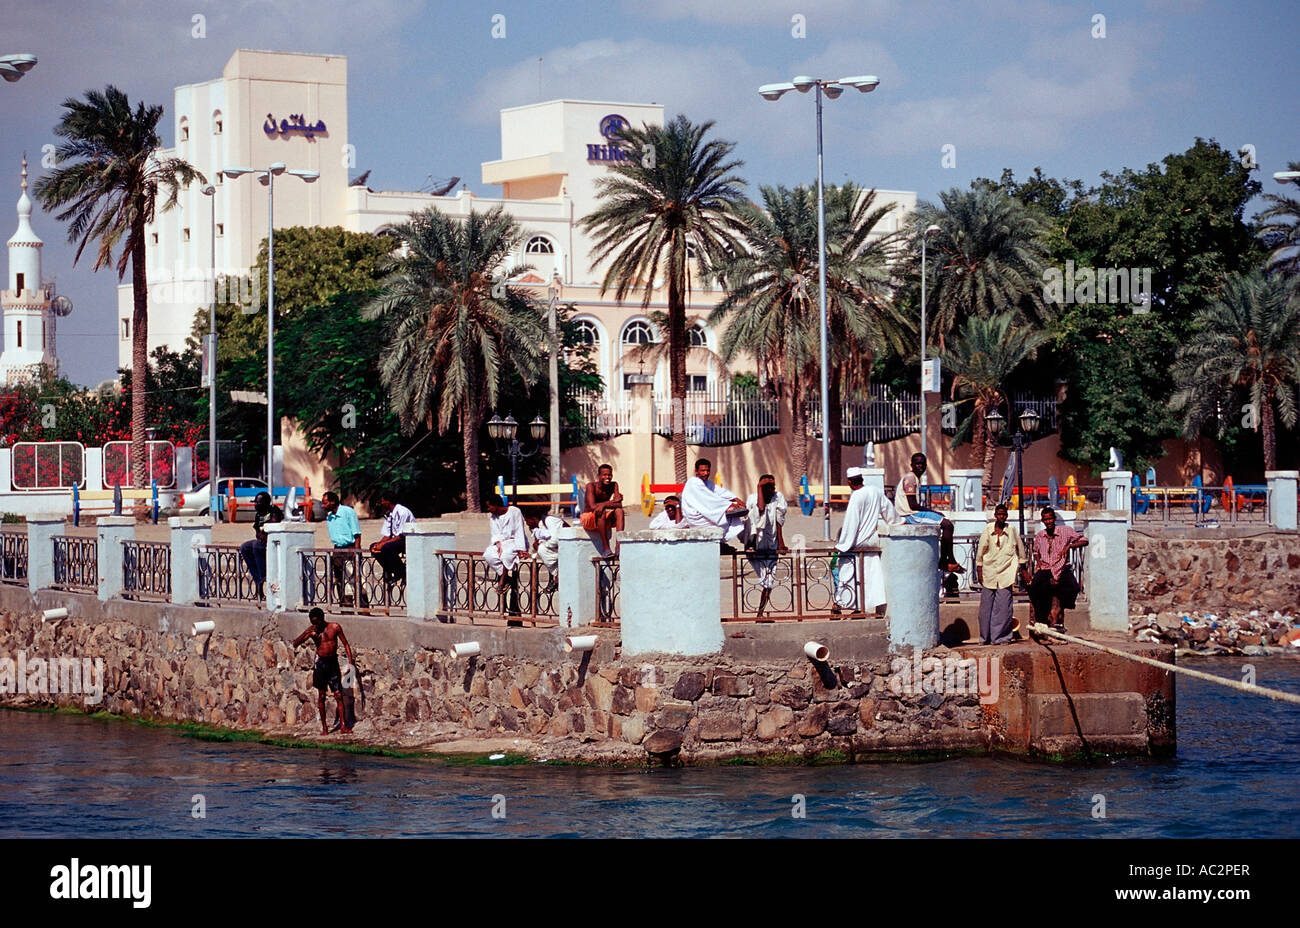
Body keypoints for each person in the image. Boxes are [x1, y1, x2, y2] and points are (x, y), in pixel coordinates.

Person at [896, 452, 964, 596]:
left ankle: (945, 560)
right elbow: (913, 505)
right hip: (910, 515)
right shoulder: (910, 479)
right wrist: (933, 512)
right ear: (912, 465)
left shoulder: (914, 479)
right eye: (917, 463)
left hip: (911, 513)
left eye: (922, 464)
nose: (920, 466)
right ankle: (948, 560)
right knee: (947, 525)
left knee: (945, 524)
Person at [834, 467, 898, 616]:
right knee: (871, 575)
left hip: (856, 543)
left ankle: (846, 604)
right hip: (871, 541)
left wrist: (842, 544)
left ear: (849, 482)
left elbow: (851, 523)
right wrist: (898, 523)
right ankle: (863, 607)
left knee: (848, 573)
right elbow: (889, 511)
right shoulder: (876, 491)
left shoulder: (856, 496)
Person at [291, 607, 356, 735]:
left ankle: (343, 726)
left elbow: (346, 644)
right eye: (312, 622)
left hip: (332, 663)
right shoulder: (312, 631)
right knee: (321, 695)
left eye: (316, 622)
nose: (315, 625)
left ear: (322, 619)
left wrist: (350, 662)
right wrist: (308, 633)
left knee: (338, 695)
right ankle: (325, 728)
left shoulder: (335, 627)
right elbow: (295, 643)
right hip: (320, 664)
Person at [1028, 506, 1088, 632]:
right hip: (1045, 568)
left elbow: (1084, 541)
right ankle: (1040, 620)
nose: (1048, 522)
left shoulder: (1065, 531)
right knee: (1035, 588)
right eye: (1046, 519)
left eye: (1050, 519)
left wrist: (1069, 546)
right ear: (1043, 521)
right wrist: (1038, 562)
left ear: (1054, 519)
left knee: (1074, 587)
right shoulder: (1040, 535)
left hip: (1061, 568)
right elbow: (1035, 552)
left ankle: (1063, 609)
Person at [975, 504, 1025, 645]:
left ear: (1006, 516)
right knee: (985, 608)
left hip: (1006, 574)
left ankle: (1001, 638)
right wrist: (979, 570)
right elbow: (980, 552)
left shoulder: (1012, 530)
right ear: (995, 515)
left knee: (1003, 608)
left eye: (1004, 514)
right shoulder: (988, 529)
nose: (1002, 517)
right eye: (999, 514)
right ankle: (985, 638)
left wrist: (1024, 568)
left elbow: (1021, 550)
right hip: (989, 572)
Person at [681, 457, 747, 552]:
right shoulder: (694, 482)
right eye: (703, 470)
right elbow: (709, 499)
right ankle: (721, 544)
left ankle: (722, 543)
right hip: (695, 517)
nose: (706, 473)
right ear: (696, 471)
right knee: (728, 516)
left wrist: (736, 499)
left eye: (708, 470)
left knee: (733, 517)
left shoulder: (707, 483)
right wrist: (728, 505)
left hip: (704, 513)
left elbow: (719, 491)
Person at [745, 474, 787, 619]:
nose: (771, 489)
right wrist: (759, 489)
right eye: (766, 486)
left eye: (772, 486)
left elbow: (779, 519)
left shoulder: (778, 497)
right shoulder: (752, 498)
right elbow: (760, 510)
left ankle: (760, 613)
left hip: (771, 543)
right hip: (755, 543)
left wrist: (781, 543)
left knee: (768, 581)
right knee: (753, 514)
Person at [484, 495, 530, 622]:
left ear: (496, 505)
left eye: (490, 506)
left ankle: (503, 580)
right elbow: (495, 534)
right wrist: (498, 545)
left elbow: (520, 530)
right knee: (488, 555)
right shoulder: (493, 518)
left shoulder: (514, 511)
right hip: (502, 543)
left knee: (506, 555)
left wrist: (521, 549)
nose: (489, 509)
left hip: (514, 541)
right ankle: (507, 579)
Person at [322, 490, 367, 608]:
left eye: (325, 503)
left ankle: (362, 606)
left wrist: (356, 552)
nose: (323, 506)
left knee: (355, 578)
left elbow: (357, 533)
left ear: (332, 502)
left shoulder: (348, 512)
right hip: (338, 549)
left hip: (350, 548)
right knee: (339, 579)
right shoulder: (330, 517)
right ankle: (345, 605)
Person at [239, 491, 283, 601]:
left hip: (274, 542)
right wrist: (260, 535)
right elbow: (257, 530)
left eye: (258, 503)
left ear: (265, 503)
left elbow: (274, 524)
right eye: (255, 503)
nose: (255, 505)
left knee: (256, 546)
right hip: (262, 541)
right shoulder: (258, 514)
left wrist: (264, 535)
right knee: (244, 547)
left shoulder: (273, 510)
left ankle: (263, 576)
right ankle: (258, 578)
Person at [370, 490, 414, 586]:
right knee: (373, 547)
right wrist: (378, 545)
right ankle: (391, 571)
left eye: (382, 501)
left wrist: (383, 544)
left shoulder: (402, 512)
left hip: (408, 540)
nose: (381, 503)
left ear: (387, 502)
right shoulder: (390, 514)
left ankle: (402, 572)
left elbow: (401, 535)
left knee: (387, 547)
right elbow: (387, 534)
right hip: (396, 540)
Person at [581, 464, 625, 556]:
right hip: (588, 517)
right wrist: (610, 503)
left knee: (619, 511)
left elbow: (619, 504)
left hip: (602, 518)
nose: (607, 477)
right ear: (599, 476)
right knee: (601, 512)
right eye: (604, 475)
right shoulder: (591, 486)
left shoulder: (614, 485)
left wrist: (604, 504)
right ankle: (606, 548)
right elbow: (593, 506)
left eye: (609, 475)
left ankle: (619, 546)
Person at [525, 510, 566, 593]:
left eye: (527, 521)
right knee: (541, 550)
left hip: (567, 548)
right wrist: (531, 554)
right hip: (559, 550)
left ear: (533, 519)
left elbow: (554, 540)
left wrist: (541, 544)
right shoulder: (540, 528)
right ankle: (557, 575)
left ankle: (558, 577)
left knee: (542, 549)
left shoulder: (549, 520)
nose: (527, 524)